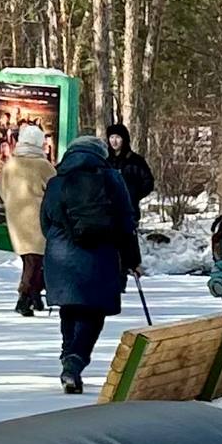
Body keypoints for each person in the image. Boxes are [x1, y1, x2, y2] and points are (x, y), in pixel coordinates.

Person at [40, 133, 141, 394]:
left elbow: (46, 221)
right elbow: (126, 221)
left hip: (60, 256)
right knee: (92, 312)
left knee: (70, 308)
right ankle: (74, 362)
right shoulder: (112, 178)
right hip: (101, 255)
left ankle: (68, 358)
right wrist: (132, 259)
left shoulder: (56, 182)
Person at [0, 124, 56, 316]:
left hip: (16, 217)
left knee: (29, 259)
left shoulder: (10, 164)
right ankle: (24, 297)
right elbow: (55, 190)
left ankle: (33, 296)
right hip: (38, 219)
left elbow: (2, 190)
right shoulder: (43, 165)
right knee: (37, 259)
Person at [105, 123, 156, 215]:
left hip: (129, 211)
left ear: (124, 139)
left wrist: (133, 195)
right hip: (107, 211)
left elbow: (148, 182)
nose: (114, 141)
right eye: (111, 137)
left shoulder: (135, 160)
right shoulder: (105, 160)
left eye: (118, 137)